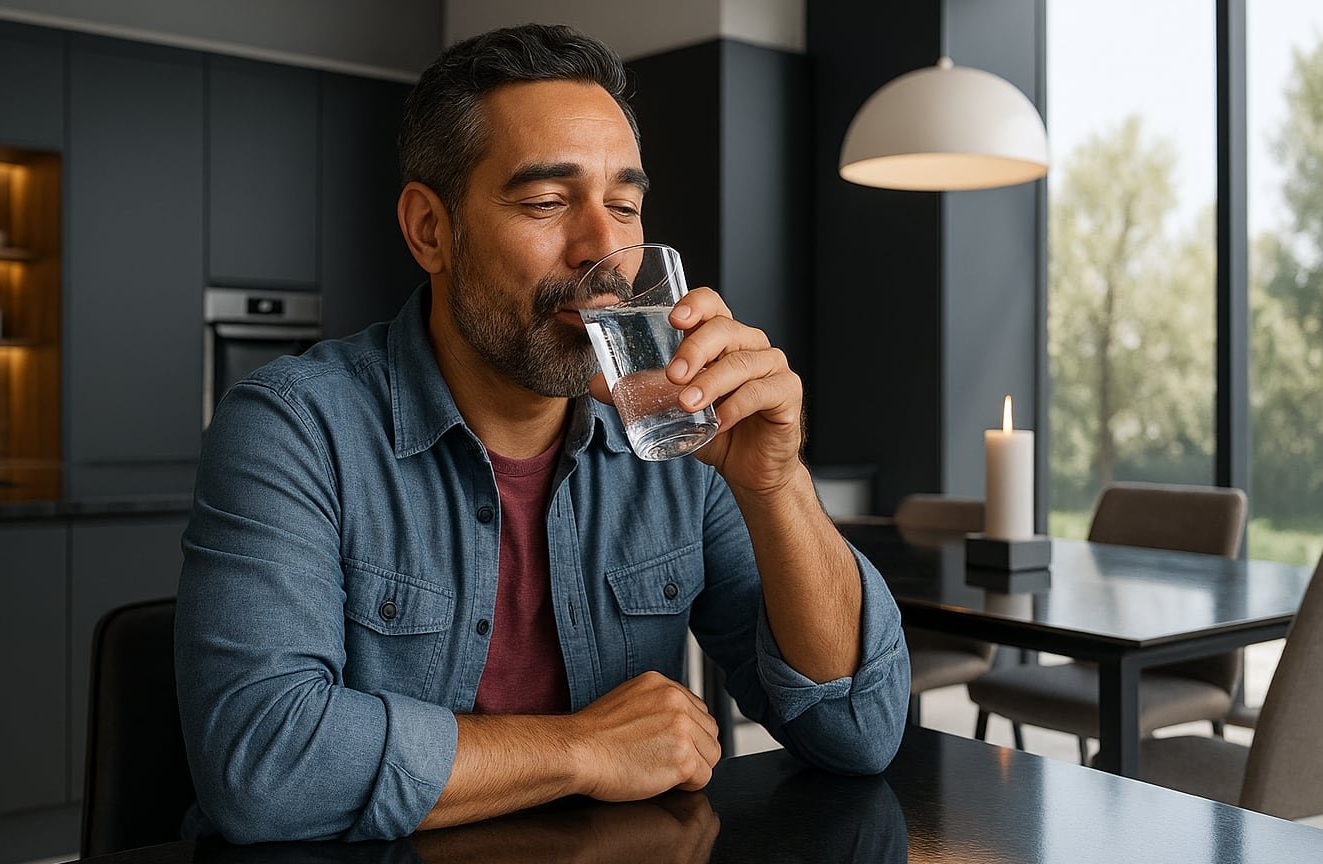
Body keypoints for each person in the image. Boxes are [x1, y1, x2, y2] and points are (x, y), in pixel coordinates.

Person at [175, 23, 910, 844]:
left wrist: (776, 486)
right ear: (430, 230)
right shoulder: (294, 428)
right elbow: (264, 768)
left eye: (625, 206)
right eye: (548, 201)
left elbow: (859, 733)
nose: (603, 248)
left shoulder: (676, 437)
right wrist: (582, 749)